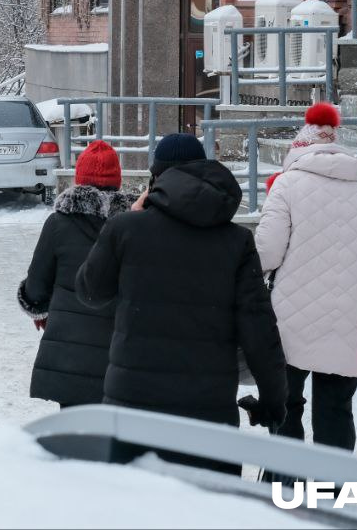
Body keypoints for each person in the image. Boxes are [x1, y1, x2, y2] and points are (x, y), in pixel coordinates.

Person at [76, 133, 287, 470]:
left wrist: (125, 221)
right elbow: (260, 329)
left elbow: (90, 292)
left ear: (155, 179)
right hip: (208, 412)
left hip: (133, 407)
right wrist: (275, 400)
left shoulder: (126, 229)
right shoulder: (237, 241)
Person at [254, 102, 357, 452]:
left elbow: (266, 254)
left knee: (286, 405)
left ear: (298, 150)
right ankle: (332, 495)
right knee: (336, 411)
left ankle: (288, 486)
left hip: (292, 319)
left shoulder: (286, 185)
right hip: (350, 321)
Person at [17, 140, 136, 408]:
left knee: (73, 436)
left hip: (69, 357)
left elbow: (36, 286)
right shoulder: (134, 225)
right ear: (117, 180)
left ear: (79, 179)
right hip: (119, 355)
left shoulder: (58, 223)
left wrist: (40, 310)